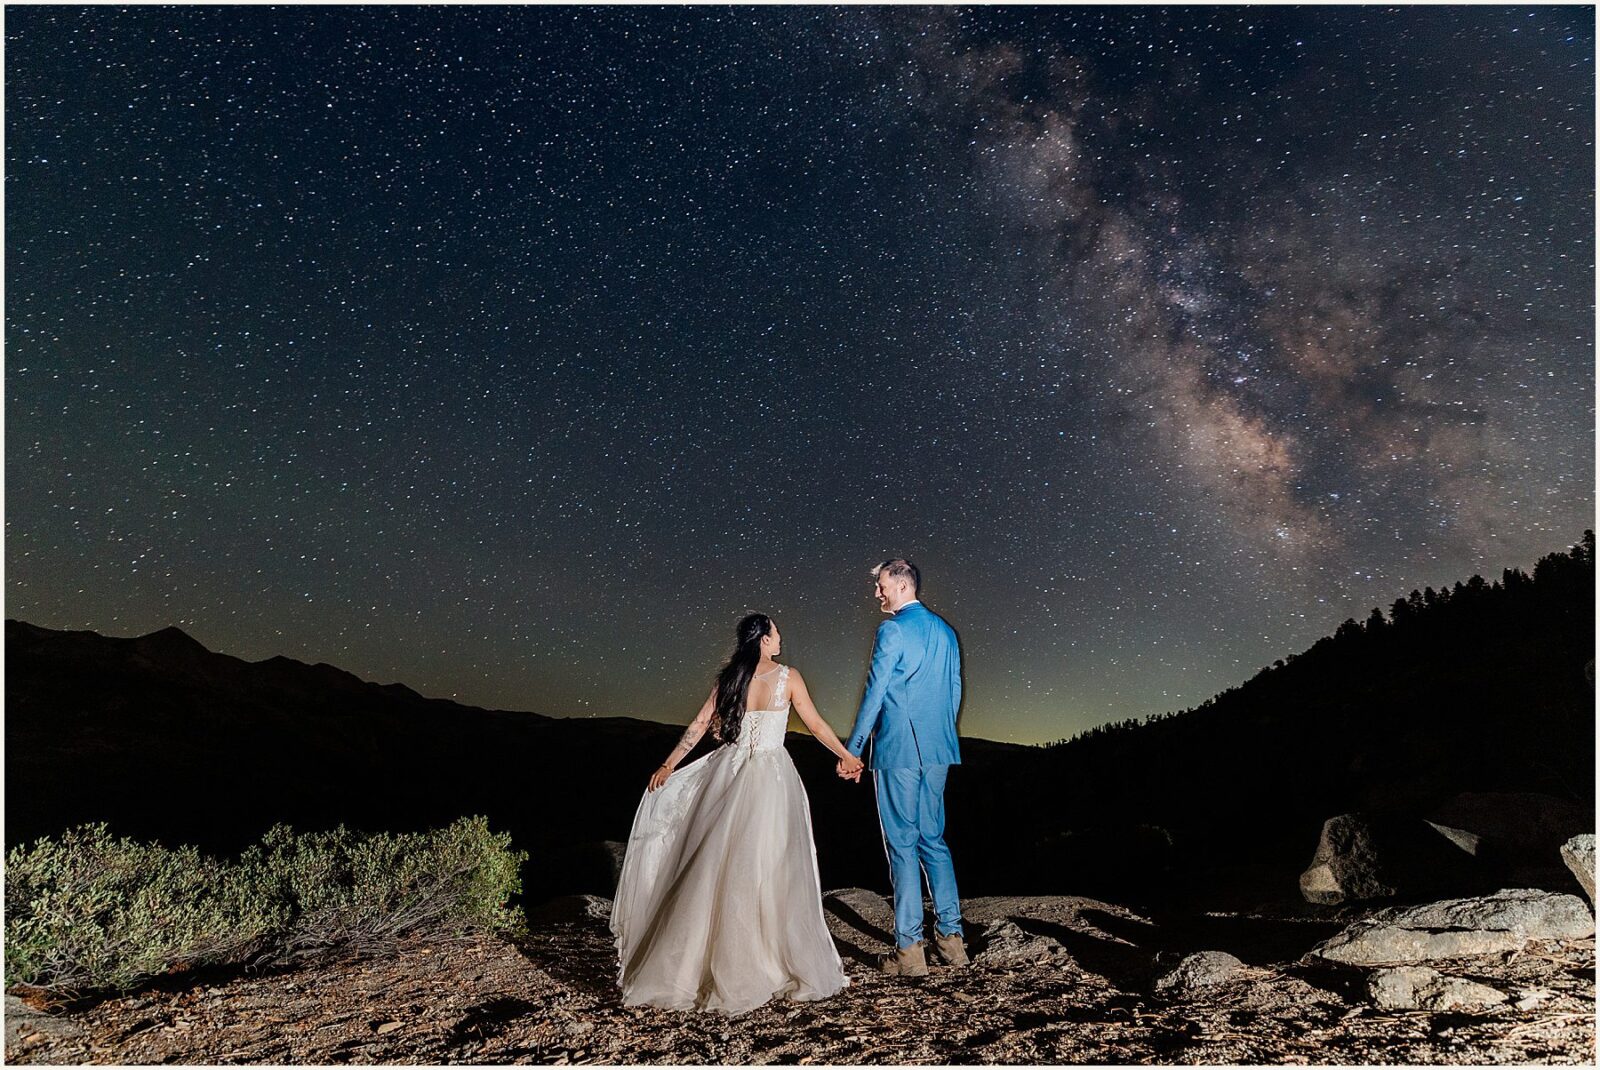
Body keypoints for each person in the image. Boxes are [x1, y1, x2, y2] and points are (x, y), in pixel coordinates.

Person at [610, 612, 861, 1014]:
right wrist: (846, 754)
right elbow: (815, 724)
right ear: (763, 639)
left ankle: (707, 963)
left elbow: (698, 724)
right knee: (769, 865)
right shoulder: (789, 677)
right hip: (772, 779)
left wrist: (669, 765)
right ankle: (763, 961)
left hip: (730, 772)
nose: (780, 639)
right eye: (776, 633)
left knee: (721, 864)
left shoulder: (731, 678)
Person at [838, 558, 967, 977]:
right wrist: (938, 735)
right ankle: (952, 941)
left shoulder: (891, 630)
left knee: (902, 844)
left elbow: (875, 693)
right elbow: (954, 692)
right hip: (939, 747)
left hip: (898, 750)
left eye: (881, 586)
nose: (876, 593)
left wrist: (853, 750)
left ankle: (909, 951)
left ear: (902, 586)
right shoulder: (946, 632)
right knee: (934, 839)